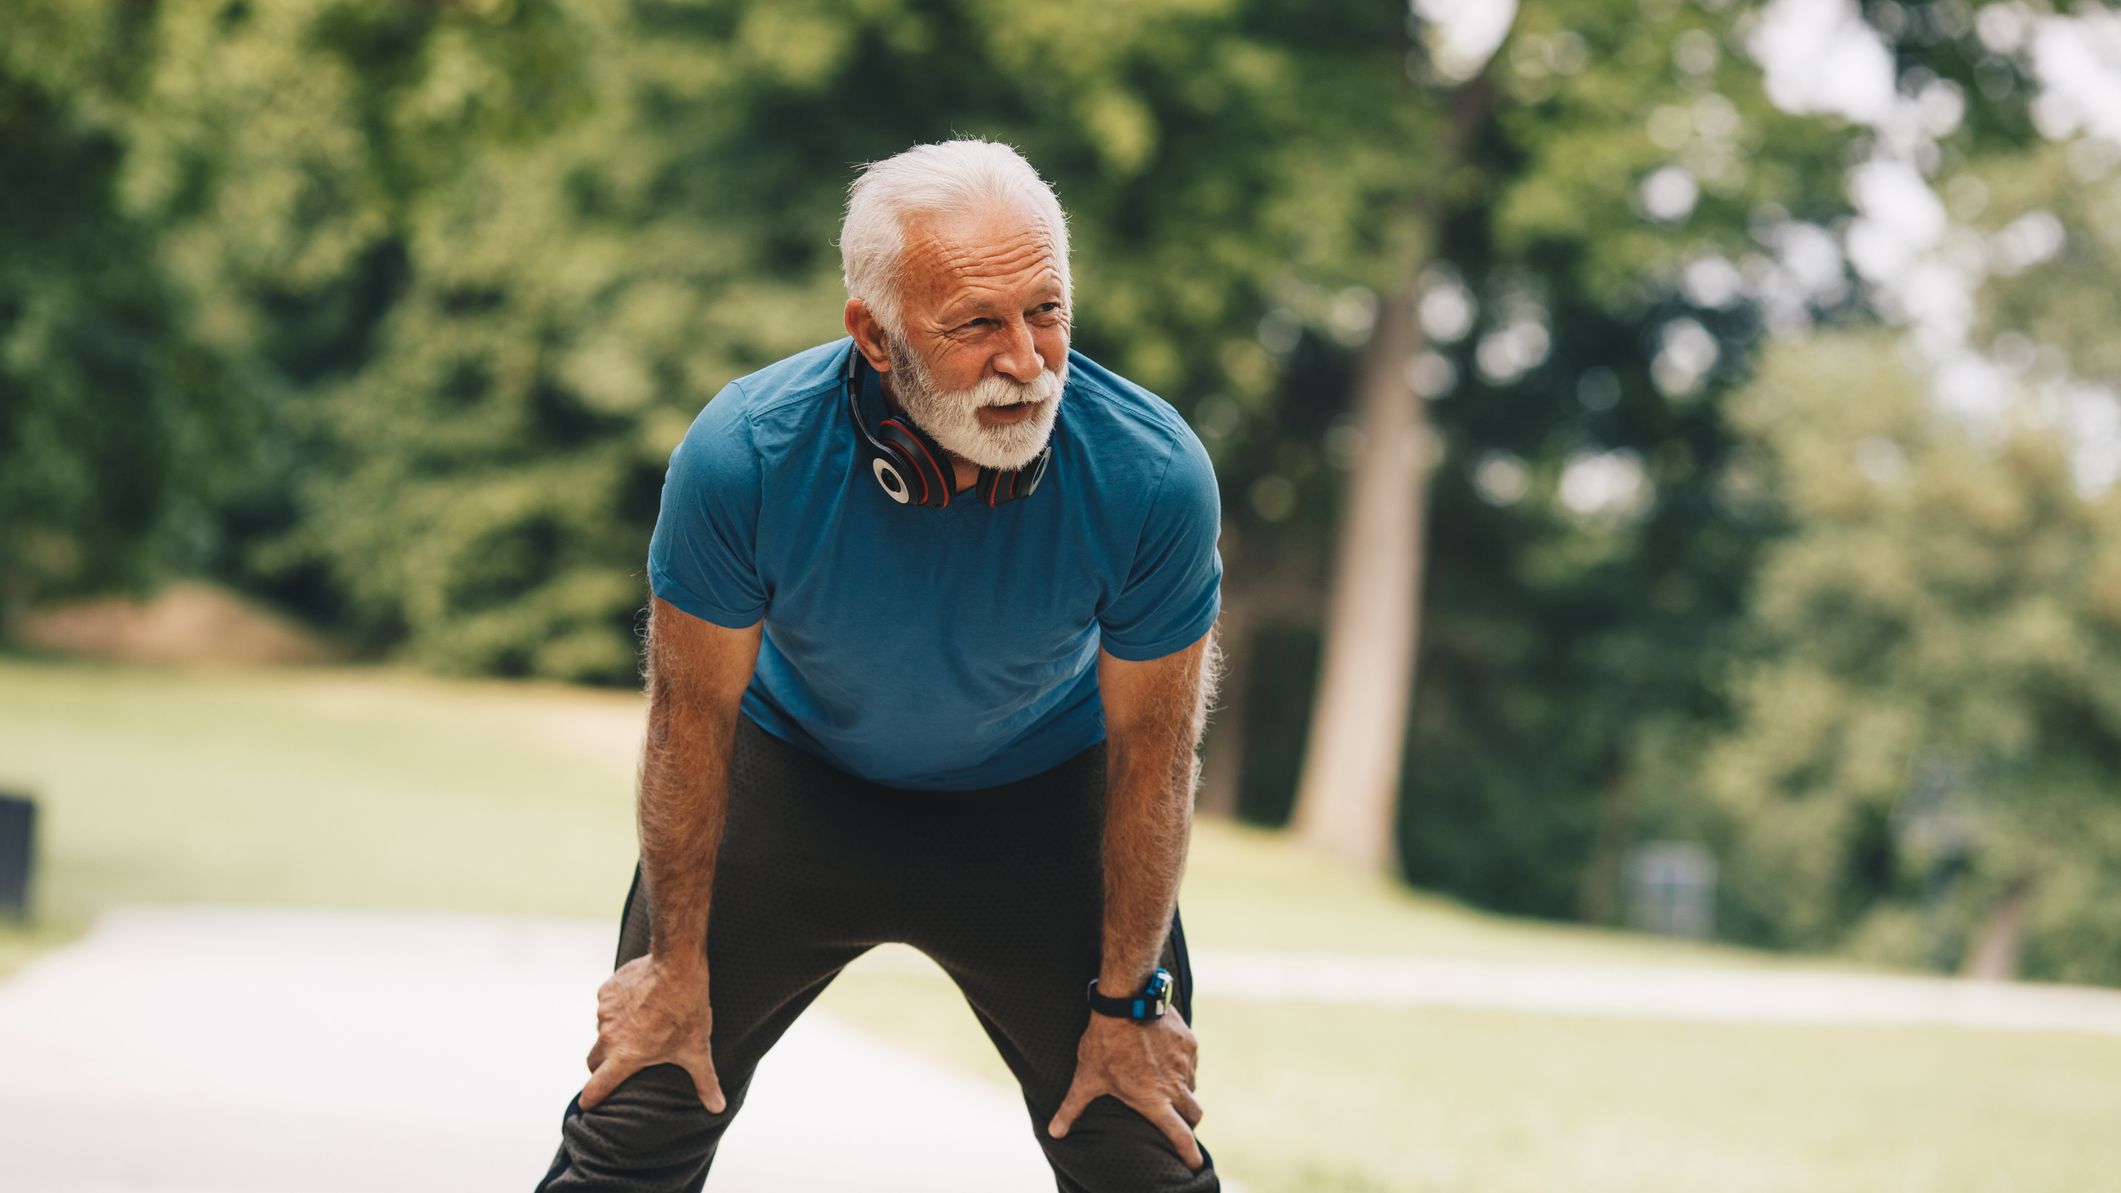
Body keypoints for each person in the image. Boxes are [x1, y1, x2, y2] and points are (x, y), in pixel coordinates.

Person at [532, 138, 1225, 1192]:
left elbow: (1154, 754)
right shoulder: (748, 455)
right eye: (977, 326)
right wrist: (672, 966)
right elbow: (687, 723)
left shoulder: (1152, 473)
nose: (1028, 362)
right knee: (635, 1120)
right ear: (874, 334)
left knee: (1139, 1146)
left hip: (1043, 808)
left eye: (1046, 310)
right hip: (795, 788)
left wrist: (1131, 1000)